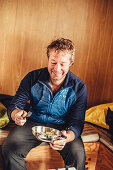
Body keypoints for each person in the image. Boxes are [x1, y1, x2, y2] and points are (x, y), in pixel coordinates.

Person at [2, 38, 87, 170]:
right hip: (33, 123)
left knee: (78, 155)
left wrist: (67, 138)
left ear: (71, 63)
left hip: (63, 127)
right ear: (48, 60)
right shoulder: (32, 77)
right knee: (10, 149)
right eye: (53, 62)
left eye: (63, 64)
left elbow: (77, 122)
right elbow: (15, 105)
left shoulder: (79, 87)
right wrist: (16, 115)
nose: (57, 69)